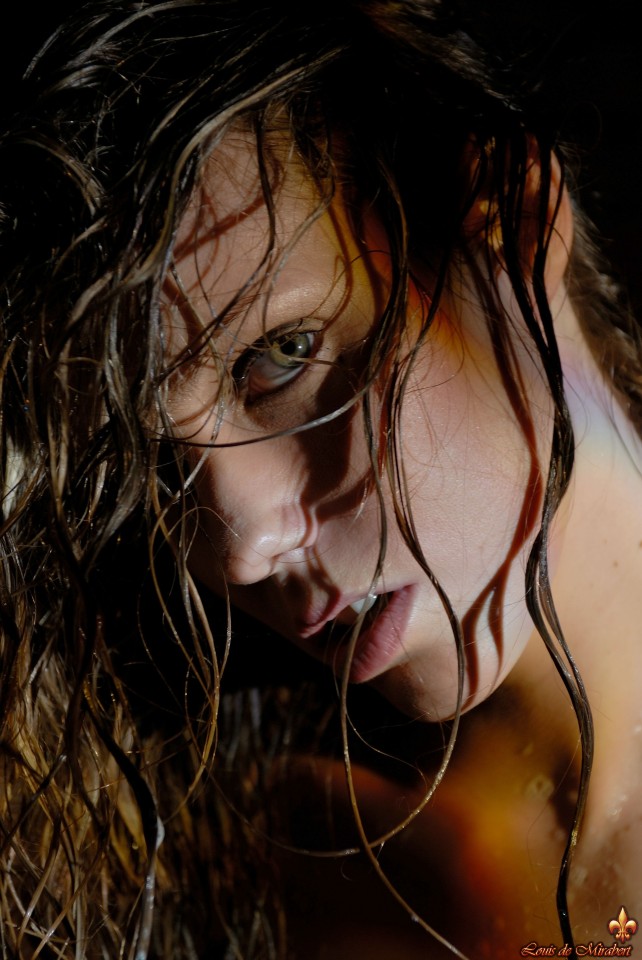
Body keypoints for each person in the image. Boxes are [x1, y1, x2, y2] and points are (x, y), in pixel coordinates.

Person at [1, 1, 640, 957]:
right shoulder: (263, 879)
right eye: (153, 468)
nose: (242, 547)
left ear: (510, 221)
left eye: (283, 354)